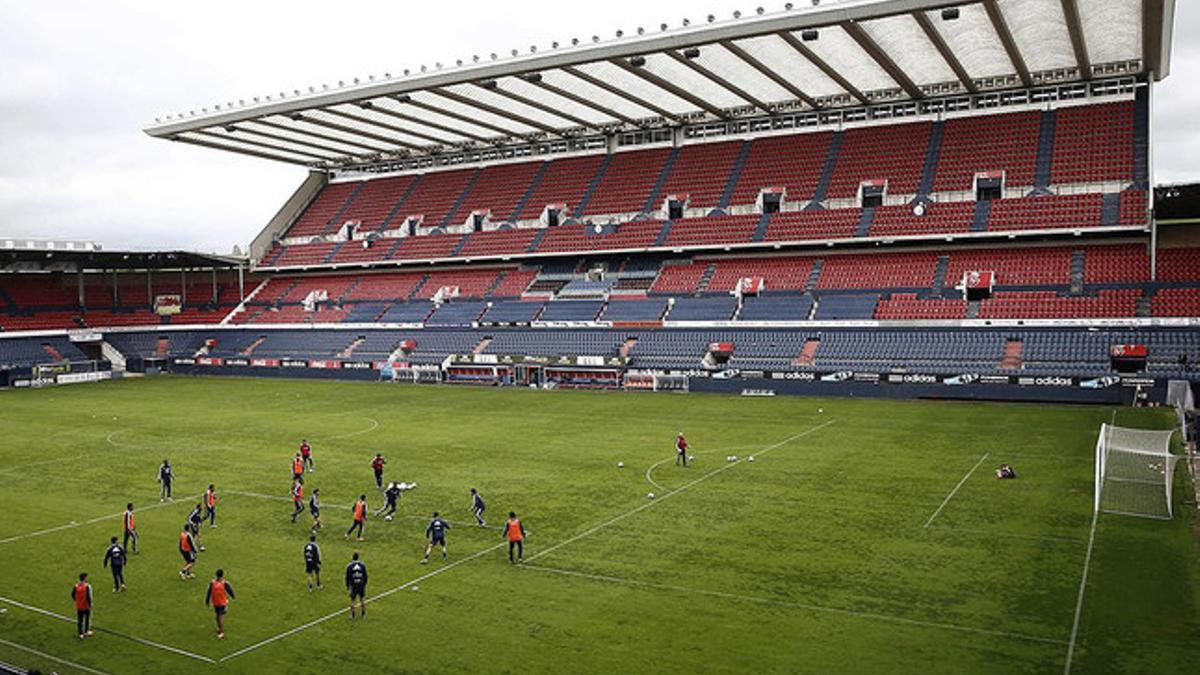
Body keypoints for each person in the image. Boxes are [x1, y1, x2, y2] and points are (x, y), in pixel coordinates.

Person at [205, 569, 235, 639]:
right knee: (221, 616)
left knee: (218, 614)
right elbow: (230, 590)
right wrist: (233, 596)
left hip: (215, 602)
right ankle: (220, 632)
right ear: (223, 575)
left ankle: (218, 627)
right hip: (222, 602)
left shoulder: (212, 583)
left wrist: (207, 601)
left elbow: (209, 592)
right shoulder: (225, 583)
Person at [345, 552, 368, 619]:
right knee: (362, 598)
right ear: (358, 557)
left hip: (353, 585)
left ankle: (353, 615)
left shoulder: (349, 566)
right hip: (361, 584)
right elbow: (365, 575)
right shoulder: (362, 565)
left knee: (352, 600)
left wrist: (347, 586)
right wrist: (364, 583)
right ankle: (363, 613)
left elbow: (347, 577)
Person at [71, 572, 93, 639]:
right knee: (87, 618)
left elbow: (72, 595)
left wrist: (77, 600)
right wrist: (90, 605)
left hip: (79, 605)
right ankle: (86, 631)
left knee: (80, 620)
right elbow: (89, 597)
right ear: (85, 578)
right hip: (85, 605)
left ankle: (80, 633)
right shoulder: (87, 586)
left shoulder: (76, 586)